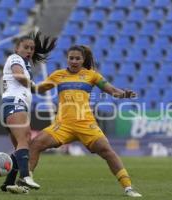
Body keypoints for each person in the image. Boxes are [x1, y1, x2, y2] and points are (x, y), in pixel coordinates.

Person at [28, 45, 142, 197]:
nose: (74, 61)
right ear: (67, 59)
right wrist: (27, 84)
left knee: (107, 151)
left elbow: (112, 90)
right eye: (71, 58)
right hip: (63, 125)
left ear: (83, 60)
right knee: (36, 144)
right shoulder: (58, 75)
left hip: (86, 124)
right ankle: (26, 179)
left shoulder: (91, 75)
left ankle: (128, 187)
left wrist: (124, 94)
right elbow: (40, 89)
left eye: (77, 58)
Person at [0, 31, 56, 193]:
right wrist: (35, 86)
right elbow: (18, 76)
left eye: (32, 48)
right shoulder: (15, 59)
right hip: (14, 103)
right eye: (26, 47)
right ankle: (25, 176)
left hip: (13, 105)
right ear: (17, 49)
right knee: (25, 139)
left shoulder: (27, 64)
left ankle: (9, 182)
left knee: (20, 146)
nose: (30, 51)